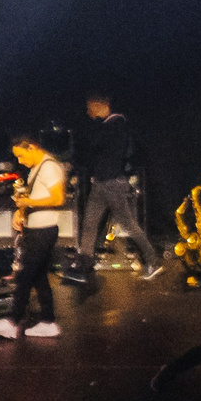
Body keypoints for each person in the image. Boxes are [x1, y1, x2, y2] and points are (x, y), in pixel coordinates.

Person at [67, 94, 162, 281]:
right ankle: (83, 267)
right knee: (89, 224)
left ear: (102, 106)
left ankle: (154, 261)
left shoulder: (116, 125)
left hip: (113, 184)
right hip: (101, 183)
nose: (89, 113)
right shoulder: (108, 126)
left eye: (91, 108)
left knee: (128, 224)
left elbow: (95, 144)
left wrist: (94, 129)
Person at [0, 131, 67, 341]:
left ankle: (12, 322)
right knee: (39, 279)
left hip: (44, 231)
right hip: (37, 228)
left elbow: (57, 198)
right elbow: (34, 197)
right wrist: (21, 213)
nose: (20, 161)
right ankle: (49, 322)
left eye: (21, 156)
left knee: (25, 275)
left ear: (32, 147)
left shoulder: (50, 167)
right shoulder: (37, 169)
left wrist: (27, 204)